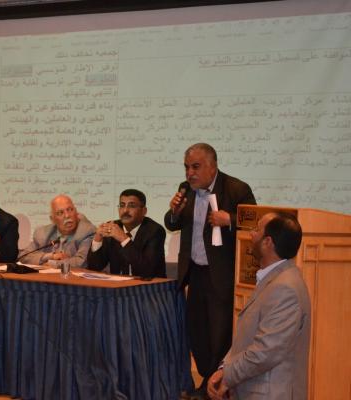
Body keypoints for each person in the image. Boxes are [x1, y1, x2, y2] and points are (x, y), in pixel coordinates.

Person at [164, 143, 256, 398]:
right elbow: (172, 223)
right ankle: (207, 380)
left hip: (222, 275)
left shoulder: (237, 189)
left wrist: (230, 220)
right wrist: (174, 212)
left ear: (213, 167)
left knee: (220, 333)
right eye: (186, 167)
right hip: (195, 272)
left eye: (195, 167)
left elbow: (256, 223)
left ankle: (213, 387)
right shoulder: (186, 190)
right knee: (197, 332)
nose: (189, 173)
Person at [207, 212, 310, 400]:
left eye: (256, 229)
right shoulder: (274, 278)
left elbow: (265, 351)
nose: (250, 234)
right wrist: (224, 368)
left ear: (267, 242)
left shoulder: (285, 289)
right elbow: (247, 338)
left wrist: (228, 375)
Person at [87, 189, 166, 278]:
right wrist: (97, 239)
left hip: (150, 285)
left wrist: (124, 239)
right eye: (122, 205)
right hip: (118, 285)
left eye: (132, 206)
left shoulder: (155, 231)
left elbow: (147, 271)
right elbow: (94, 267)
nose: (125, 210)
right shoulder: (113, 227)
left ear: (144, 211)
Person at [19, 194, 95, 268]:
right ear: (53, 219)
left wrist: (53, 264)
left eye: (70, 210)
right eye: (60, 213)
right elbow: (23, 256)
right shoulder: (42, 233)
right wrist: (51, 256)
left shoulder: (86, 231)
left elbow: (82, 262)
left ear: (76, 212)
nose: (67, 215)